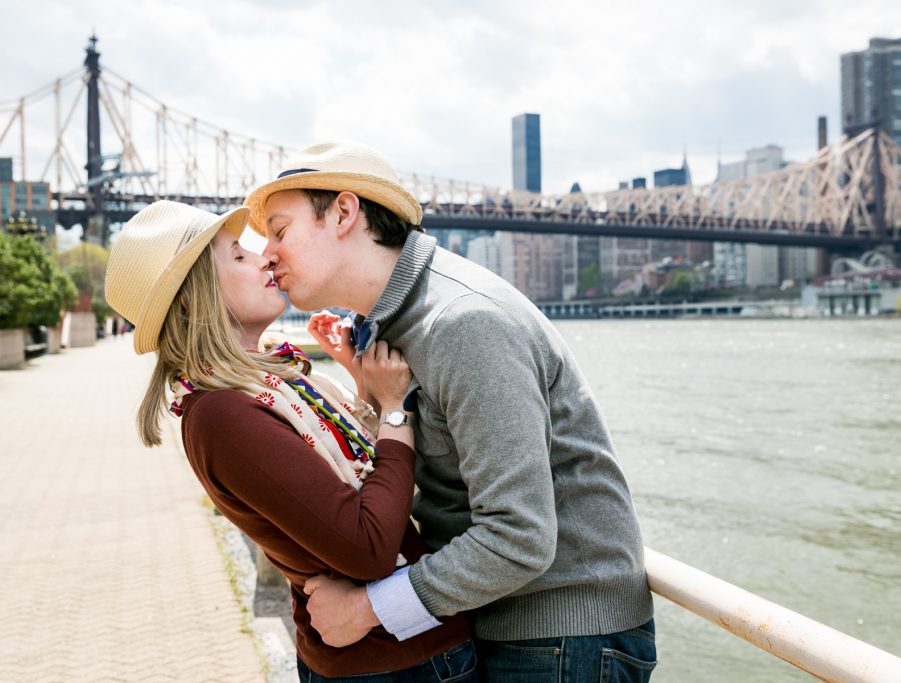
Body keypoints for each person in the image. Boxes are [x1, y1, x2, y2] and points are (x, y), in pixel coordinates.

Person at [244, 141, 657, 681]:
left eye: (279, 230)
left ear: (344, 213)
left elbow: (520, 534)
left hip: (559, 635)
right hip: (499, 618)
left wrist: (366, 610)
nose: (267, 254)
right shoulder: (392, 323)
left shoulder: (463, 323)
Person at [104, 200, 477, 682]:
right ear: (194, 299)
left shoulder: (261, 384)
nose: (263, 259)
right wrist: (393, 410)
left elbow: (348, 480)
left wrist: (361, 384)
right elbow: (369, 547)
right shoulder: (223, 413)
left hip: (393, 650)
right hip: (392, 663)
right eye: (238, 255)